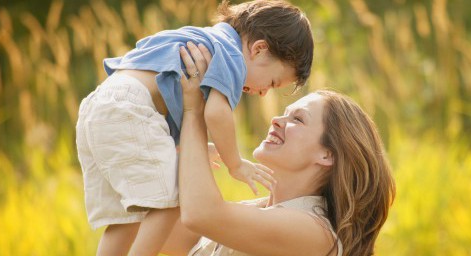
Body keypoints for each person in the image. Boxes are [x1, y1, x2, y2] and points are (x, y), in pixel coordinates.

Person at [75, 0, 313, 255]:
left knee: (125, 218)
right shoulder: (232, 57)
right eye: (273, 82)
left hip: (100, 106)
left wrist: (184, 147)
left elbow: (163, 88)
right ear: (259, 49)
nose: (264, 93)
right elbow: (216, 113)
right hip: (131, 108)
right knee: (173, 199)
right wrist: (235, 164)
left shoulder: (206, 38)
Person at [162, 42, 395, 255]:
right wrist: (172, 155)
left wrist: (194, 110)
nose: (276, 120)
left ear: (327, 154)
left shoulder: (315, 232)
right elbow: (158, 227)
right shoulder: (255, 211)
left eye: (298, 119)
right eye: (284, 113)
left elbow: (200, 215)